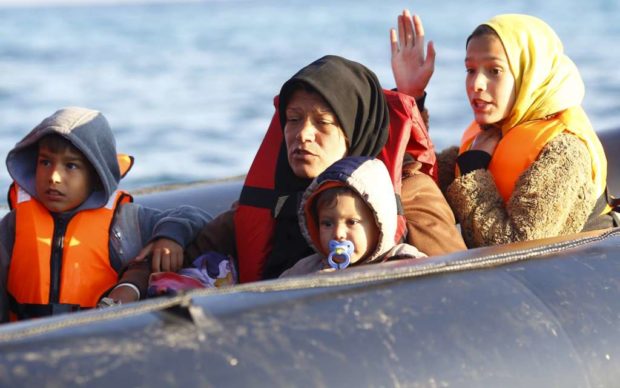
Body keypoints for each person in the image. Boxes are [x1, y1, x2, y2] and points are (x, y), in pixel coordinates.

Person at [179, 54, 466, 283]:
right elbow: (201, 239)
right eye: (293, 119)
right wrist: (169, 237)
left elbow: (461, 283)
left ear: (354, 130)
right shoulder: (278, 192)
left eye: (323, 122)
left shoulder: (410, 190)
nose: (302, 134)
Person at [390, 11, 616, 248]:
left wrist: (474, 172)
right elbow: (420, 187)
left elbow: (516, 248)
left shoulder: (564, 151)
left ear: (530, 75)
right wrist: (411, 96)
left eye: (494, 71)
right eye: (470, 70)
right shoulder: (485, 137)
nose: (476, 83)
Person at [0, 107, 211, 322]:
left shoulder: (125, 222)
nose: (54, 176)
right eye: (45, 162)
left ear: (96, 175)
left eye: (71, 166)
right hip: (25, 343)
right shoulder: (12, 226)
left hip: (100, 341)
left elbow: (196, 217)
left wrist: (170, 236)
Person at [280, 157, 426, 277]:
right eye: (327, 223)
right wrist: (315, 286)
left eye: (352, 222)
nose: (338, 234)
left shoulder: (404, 263)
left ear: (378, 225)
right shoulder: (306, 271)